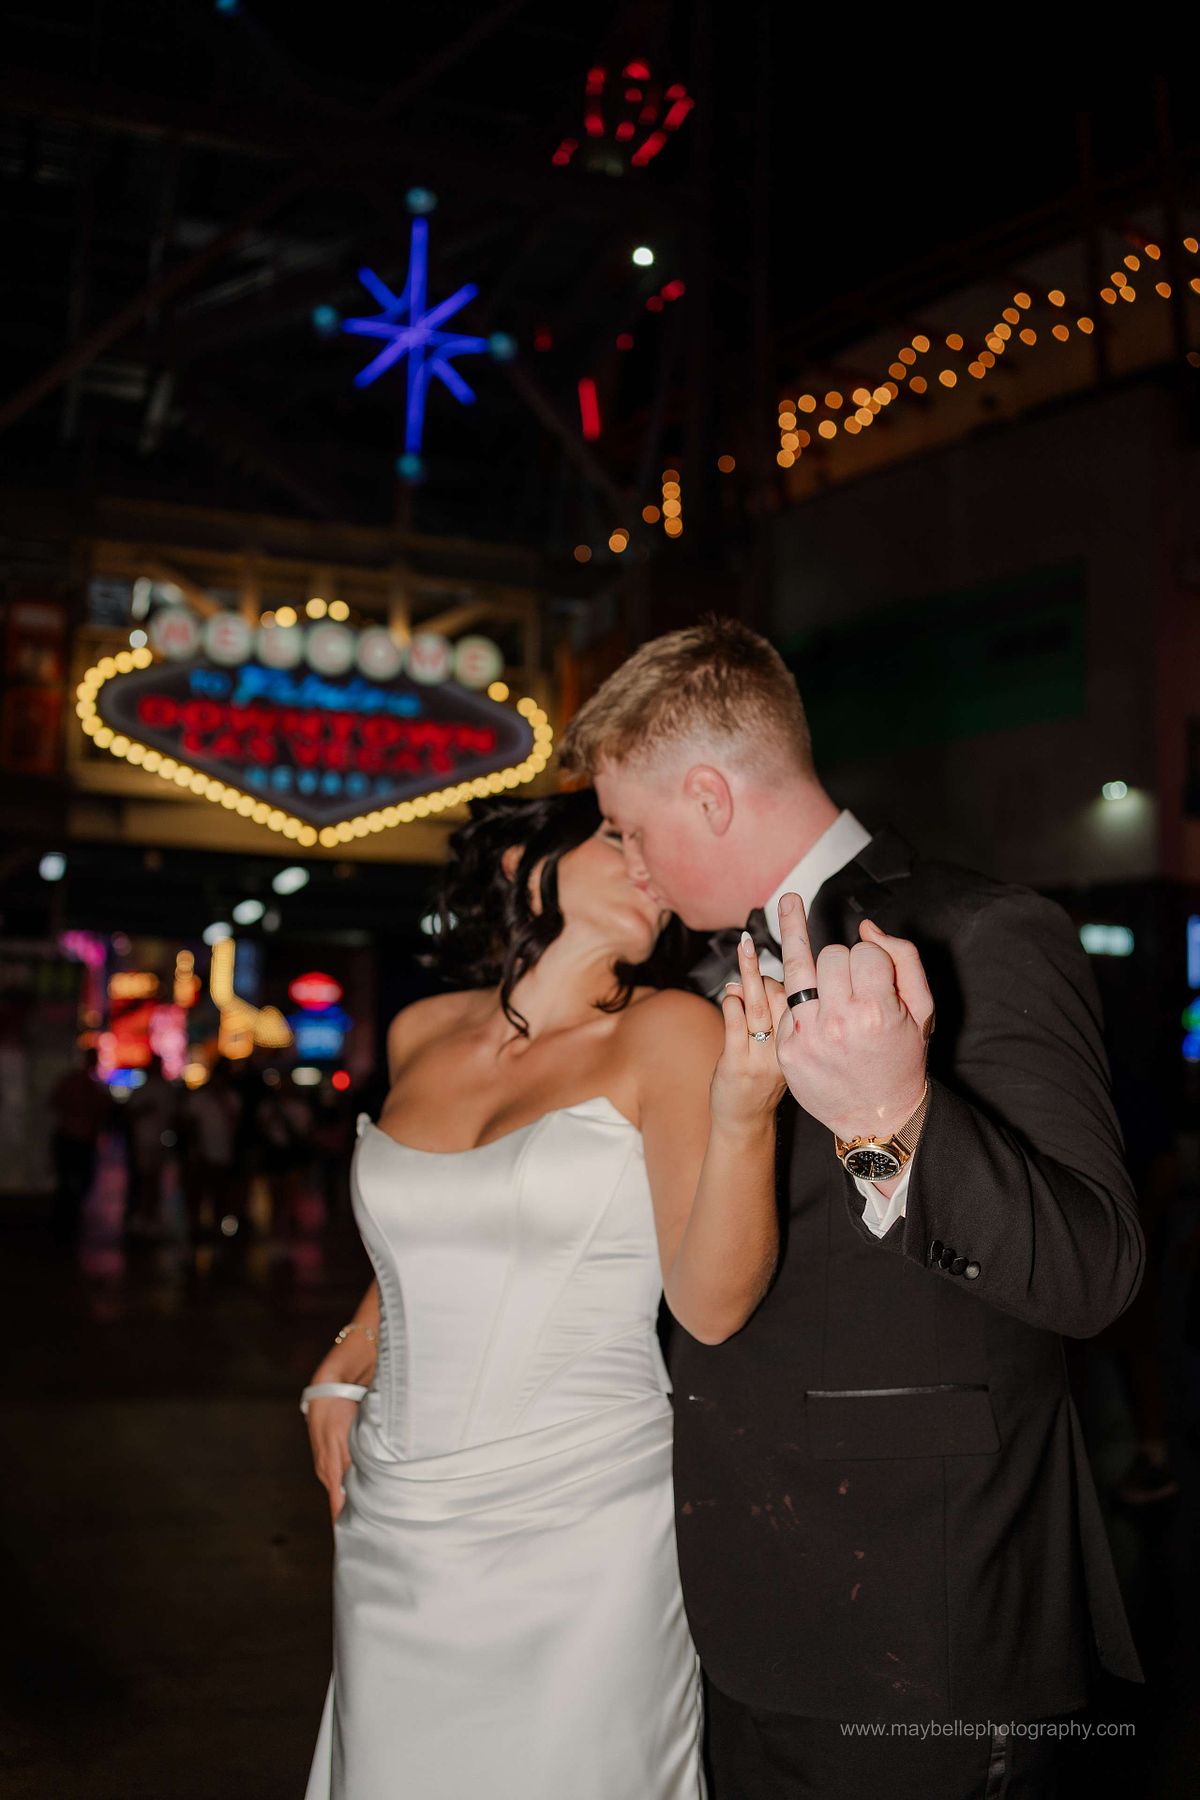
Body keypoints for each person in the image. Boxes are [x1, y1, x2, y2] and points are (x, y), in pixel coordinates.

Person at [559, 616, 1146, 1800]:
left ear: (710, 797)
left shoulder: (981, 932)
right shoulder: (681, 982)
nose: (627, 861)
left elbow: (1095, 1272)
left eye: (628, 827)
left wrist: (893, 1117)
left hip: (919, 1623)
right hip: (728, 1610)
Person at [302, 789, 786, 1800]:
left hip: (585, 1515)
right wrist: (354, 1345)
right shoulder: (420, 1031)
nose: (650, 862)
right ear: (526, 864)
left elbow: (712, 1307)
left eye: (657, 846)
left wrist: (745, 1118)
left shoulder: (670, 1030)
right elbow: (439, 1225)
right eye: (618, 837)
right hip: (393, 1516)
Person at [47, 1044, 111, 1244]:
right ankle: (64, 1223)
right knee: (67, 1181)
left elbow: (103, 1111)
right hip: (69, 1138)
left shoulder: (94, 1086)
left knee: (81, 1180)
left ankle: (69, 1220)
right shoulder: (75, 1082)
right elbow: (55, 1101)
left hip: (83, 1140)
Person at [124, 1055, 178, 1240]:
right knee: (144, 1179)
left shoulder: (165, 1089)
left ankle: (151, 1218)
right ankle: (142, 1217)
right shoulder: (142, 1089)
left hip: (159, 1141)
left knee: (155, 1179)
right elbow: (129, 1114)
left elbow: (173, 1115)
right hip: (143, 1140)